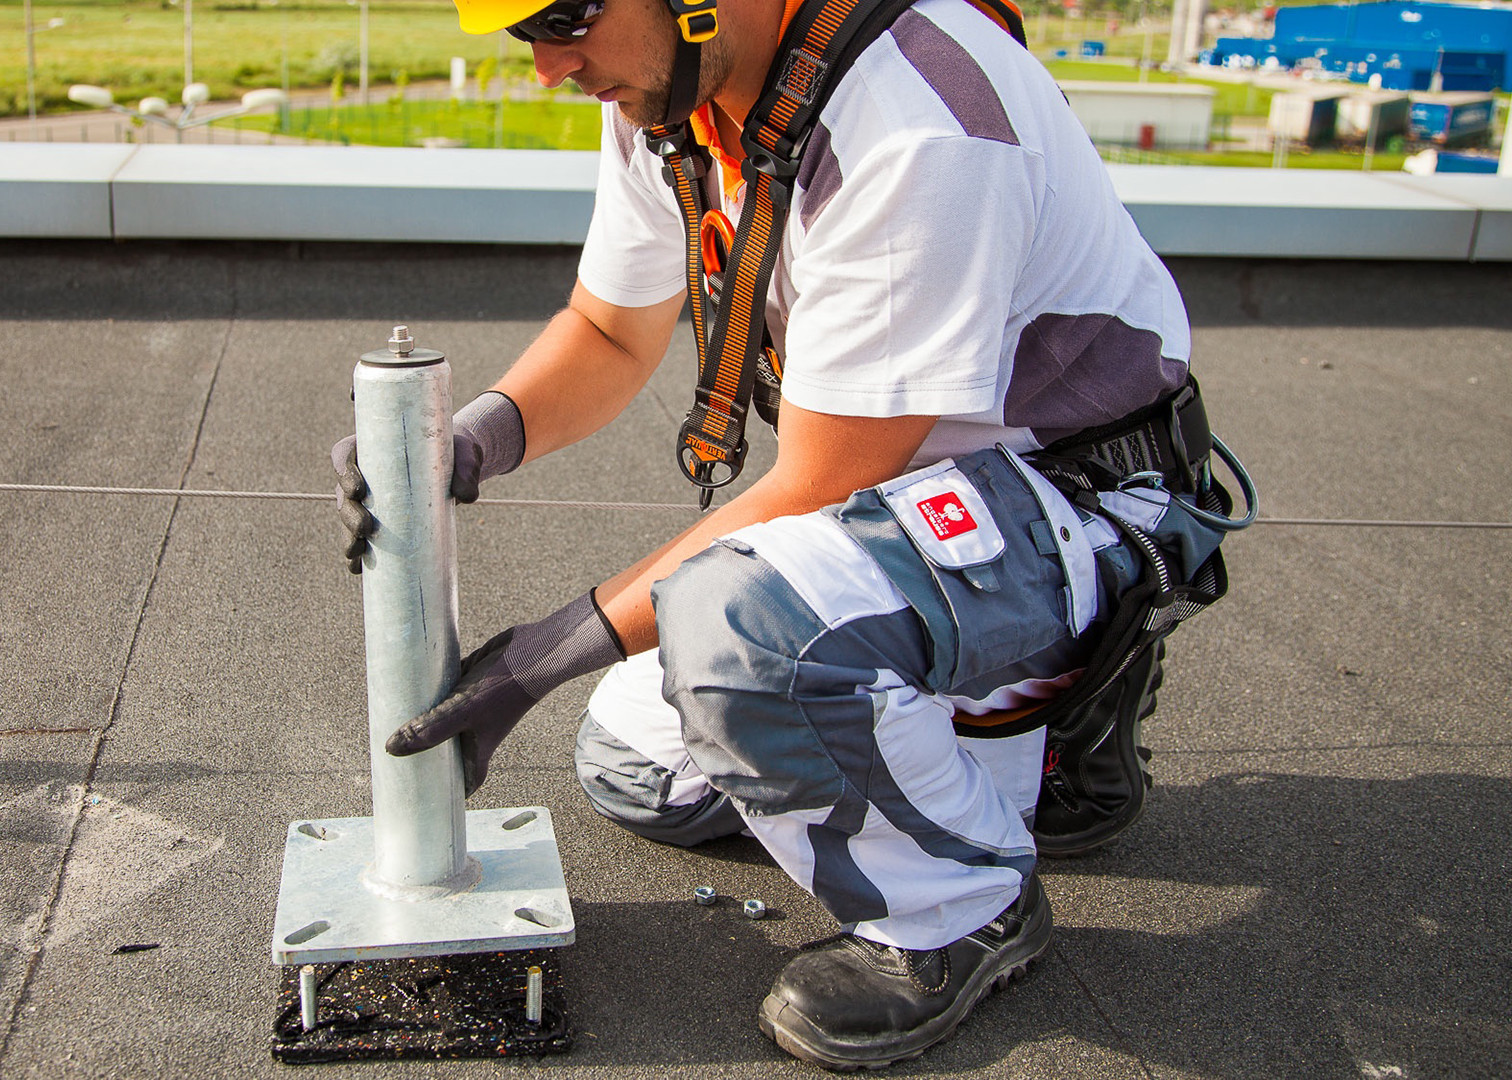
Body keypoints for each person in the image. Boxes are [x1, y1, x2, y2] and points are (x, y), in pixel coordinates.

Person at [333, 0, 1240, 1066]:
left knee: (739, 634)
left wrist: (534, 661)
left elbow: (815, 481)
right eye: (522, 32)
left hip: (1066, 504)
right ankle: (1005, 746)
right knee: (638, 763)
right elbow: (609, 331)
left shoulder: (915, 123)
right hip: (905, 509)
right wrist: (471, 438)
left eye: (567, 16)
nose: (549, 67)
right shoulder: (679, 98)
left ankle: (962, 910)